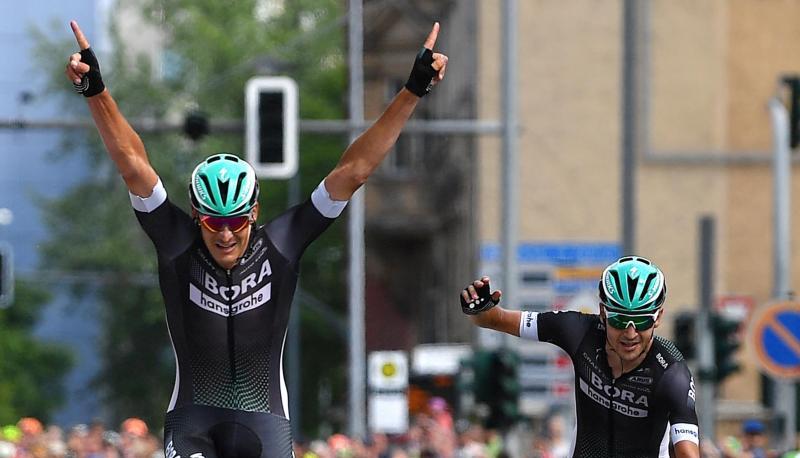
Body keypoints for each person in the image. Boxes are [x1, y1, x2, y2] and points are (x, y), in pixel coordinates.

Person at [65, 18, 448, 458]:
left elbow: (354, 171)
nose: (225, 234)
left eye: (236, 222)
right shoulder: (176, 242)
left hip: (265, 422)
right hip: (193, 421)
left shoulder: (282, 243)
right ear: (195, 215)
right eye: (212, 223)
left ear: (255, 214)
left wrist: (414, 90)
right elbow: (133, 163)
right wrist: (95, 91)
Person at [459, 256, 700, 458]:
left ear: (658, 318)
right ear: (603, 312)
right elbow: (493, 319)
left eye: (641, 321)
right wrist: (479, 309)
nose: (630, 333)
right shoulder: (578, 331)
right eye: (618, 320)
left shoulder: (671, 371)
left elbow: (688, 453)